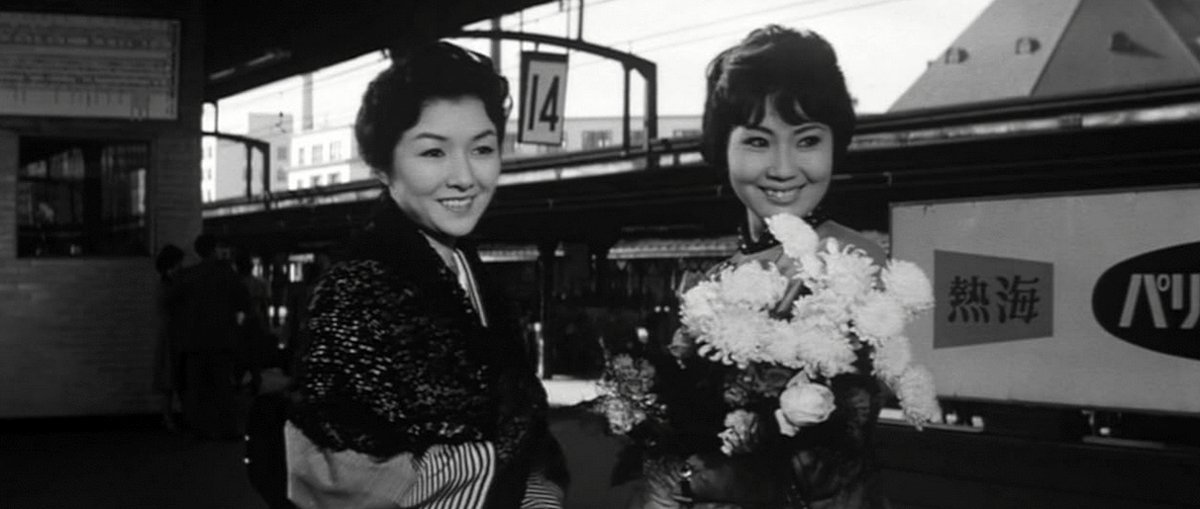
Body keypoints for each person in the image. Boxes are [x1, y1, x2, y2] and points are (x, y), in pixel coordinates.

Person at [284, 40, 568, 509]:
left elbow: (526, 435)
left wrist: (536, 490)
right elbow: (334, 476)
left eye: (482, 149)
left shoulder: (467, 270)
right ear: (381, 165)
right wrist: (495, 468)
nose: (464, 177)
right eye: (433, 154)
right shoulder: (355, 289)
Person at [627, 26, 890, 509]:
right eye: (758, 142)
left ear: (836, 145)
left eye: (807, 140)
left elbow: (829, 463)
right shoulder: (714, 277)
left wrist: (686, 479)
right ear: (721, 146)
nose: (785, 168)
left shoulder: (849, 265)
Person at [175, 233, 251, 440]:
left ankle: (195, 428)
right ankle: (227, 428)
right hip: (221, 338)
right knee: (222, 386)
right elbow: (244, 302)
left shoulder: (187, 276)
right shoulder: (226, 274)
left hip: (193, 339)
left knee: (195, 387)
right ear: (214, 249)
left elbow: (174, 303)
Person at [153, 244, 186, 433]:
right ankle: (170, 417)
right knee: (172, 377)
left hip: (168, 333)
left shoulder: (164, 283)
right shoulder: (170, 284)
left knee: (168, 379)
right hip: (171, 334)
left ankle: (169, 417)